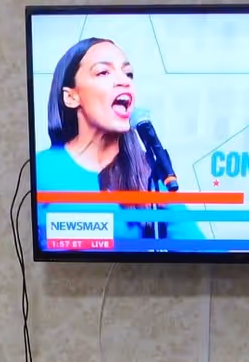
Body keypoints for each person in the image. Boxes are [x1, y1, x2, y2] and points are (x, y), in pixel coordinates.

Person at [35, 36, 201, 246]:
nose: (124, 81)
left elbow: (201, 252)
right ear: (71, 97)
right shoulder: (42, 170)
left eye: (128, 73)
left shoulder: (149, 175)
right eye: (103, 72)